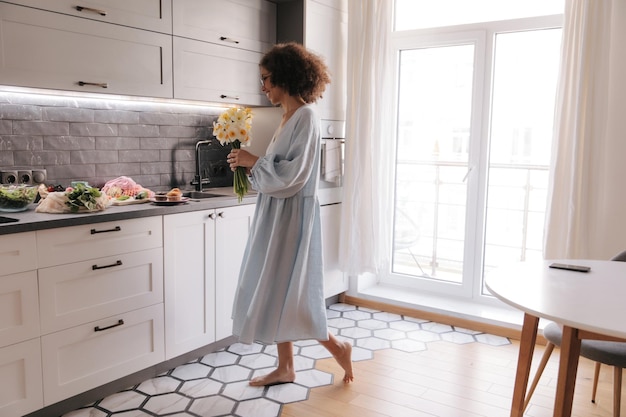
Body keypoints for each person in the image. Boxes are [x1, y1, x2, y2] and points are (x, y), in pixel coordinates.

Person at [226, 42, 354, 386]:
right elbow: (275, 174)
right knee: (276, 288)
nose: (263, 86)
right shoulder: (287, 118)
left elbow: (293, 176)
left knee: (291, 291)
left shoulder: (307, 117)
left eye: (267, 79)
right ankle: (286, 367)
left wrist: (254, 161)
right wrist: (247, 164)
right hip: (276, 215)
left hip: (292, 218)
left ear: (285, 77)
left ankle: (338, 345)